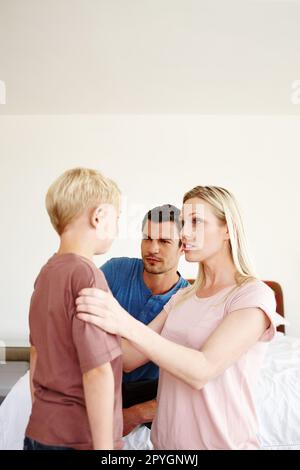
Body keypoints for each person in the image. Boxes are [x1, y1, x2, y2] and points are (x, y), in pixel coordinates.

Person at [76, 185, 283, 450]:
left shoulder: (252, 295)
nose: (184, 233)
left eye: (196, 222)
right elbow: (128, 359)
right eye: (184, 223)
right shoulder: (183, 297)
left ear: (227, 230)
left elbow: (201, 370)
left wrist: (122, 321)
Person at [24, 167, 123, 450]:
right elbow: (97, 371)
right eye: (116, 218)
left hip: (40, 429)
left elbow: (36, 354)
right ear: (99, 217)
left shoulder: (47, 273)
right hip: (78, 438)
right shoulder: (87, 275)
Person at [100, 204, 188, 435]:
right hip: (101, 379)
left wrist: (136, 414)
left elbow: (191, 382)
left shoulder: (189, 301)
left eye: (165, 241)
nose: (153, 248)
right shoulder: (115, 271)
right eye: (147, 238)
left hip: (153, 391)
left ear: (183, 246)